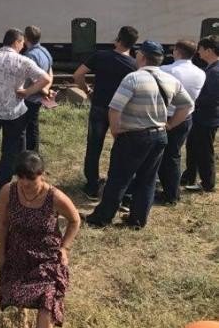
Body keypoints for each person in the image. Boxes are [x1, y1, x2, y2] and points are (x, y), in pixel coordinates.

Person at [84, 41, 193, 229]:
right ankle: (137, 220)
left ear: (141, 57)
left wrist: (116, 129)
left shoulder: (133, 78)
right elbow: (187, 105)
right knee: (147, 179)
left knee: (118, 177)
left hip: (134, 135)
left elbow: (115, 107)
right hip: (159, 136)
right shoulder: (170, 80)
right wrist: (170, 125)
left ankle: (102, 218)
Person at [0, 151, 80, 328]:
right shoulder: (9, 191)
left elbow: (75, 221)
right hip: (18, 250)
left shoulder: (55, 197)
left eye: (30, 179)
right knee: (16, 290)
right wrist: (1, 252)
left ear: (41, 174)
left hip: (47, 255)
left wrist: (64, 248)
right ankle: (22, 313)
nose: (25, 183)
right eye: (21, 178)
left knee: (47, 300)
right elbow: (3, 223)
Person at [0, 28, 52, 195]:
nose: (23, 46)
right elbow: (46, 79)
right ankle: (1, 189)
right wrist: (27, 92)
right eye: (21, 43)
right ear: (16, 42)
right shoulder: (23, 61)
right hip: (14, 113)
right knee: (10, 151)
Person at [73, 25, 139, 199]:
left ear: (117, 39)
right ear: (133, 44)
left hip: (99, 107)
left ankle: (92, 185)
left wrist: (87, 91)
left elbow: (78, 75)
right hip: (121, 111)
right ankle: (116, 184)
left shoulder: (100, 55)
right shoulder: (134, 65)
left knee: (94, 146)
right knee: (121, 148)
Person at [157, 40, 205, 204]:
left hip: (166, 116)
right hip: (186, 118)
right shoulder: (200, 73)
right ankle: (172, 191)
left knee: (161, 155)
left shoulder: (166, 70)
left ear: (177, 51)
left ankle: (169, 194)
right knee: (174, 154)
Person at [181, 35, 219, 193]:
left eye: (201, 49)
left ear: (209, 50)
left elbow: (211, 97)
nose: (198, 53)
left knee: (204, 150)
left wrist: (193, 100)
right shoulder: (212, 68)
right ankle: (189, 175)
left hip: (207, 117)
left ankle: (207, 183)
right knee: (193, 146)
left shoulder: (214, 72)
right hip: (203, 116)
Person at [22, 25, 53, 153]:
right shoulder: (45, 51)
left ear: (25, 38)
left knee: (28, 129)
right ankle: (33, 155)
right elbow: (50, 73)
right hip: (38, 97)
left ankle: (30, 156)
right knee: (33, 126)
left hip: (30, 97)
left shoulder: (29, 56)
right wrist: (47, 89)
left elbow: (36, 80)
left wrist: (45, 91)